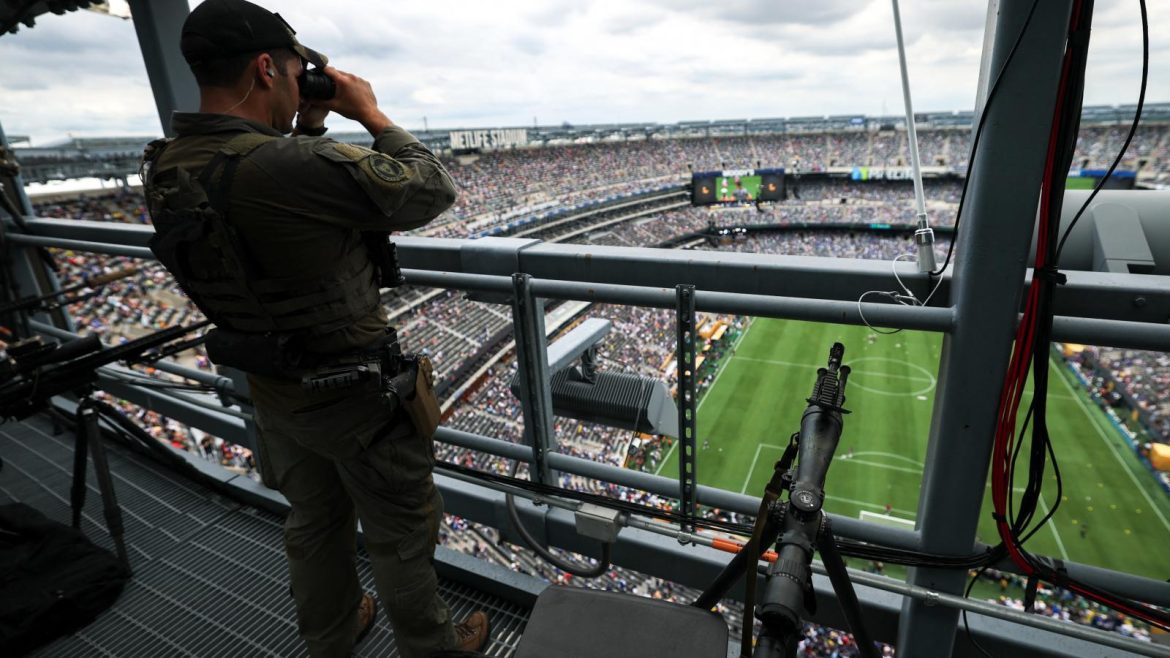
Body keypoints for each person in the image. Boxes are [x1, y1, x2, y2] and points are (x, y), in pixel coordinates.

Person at [139, 1, 488, 656]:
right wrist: (372, 114)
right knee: (401, 534)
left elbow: (265, 207)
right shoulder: (282, 166)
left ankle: (330, 635)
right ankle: (432, 648)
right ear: (265, 67)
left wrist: (309, 126)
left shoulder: (167, 162)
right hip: (356, 393)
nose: (304, 82)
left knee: (315, 522)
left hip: (274, 386)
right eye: (298, 72)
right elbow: (430, 189)